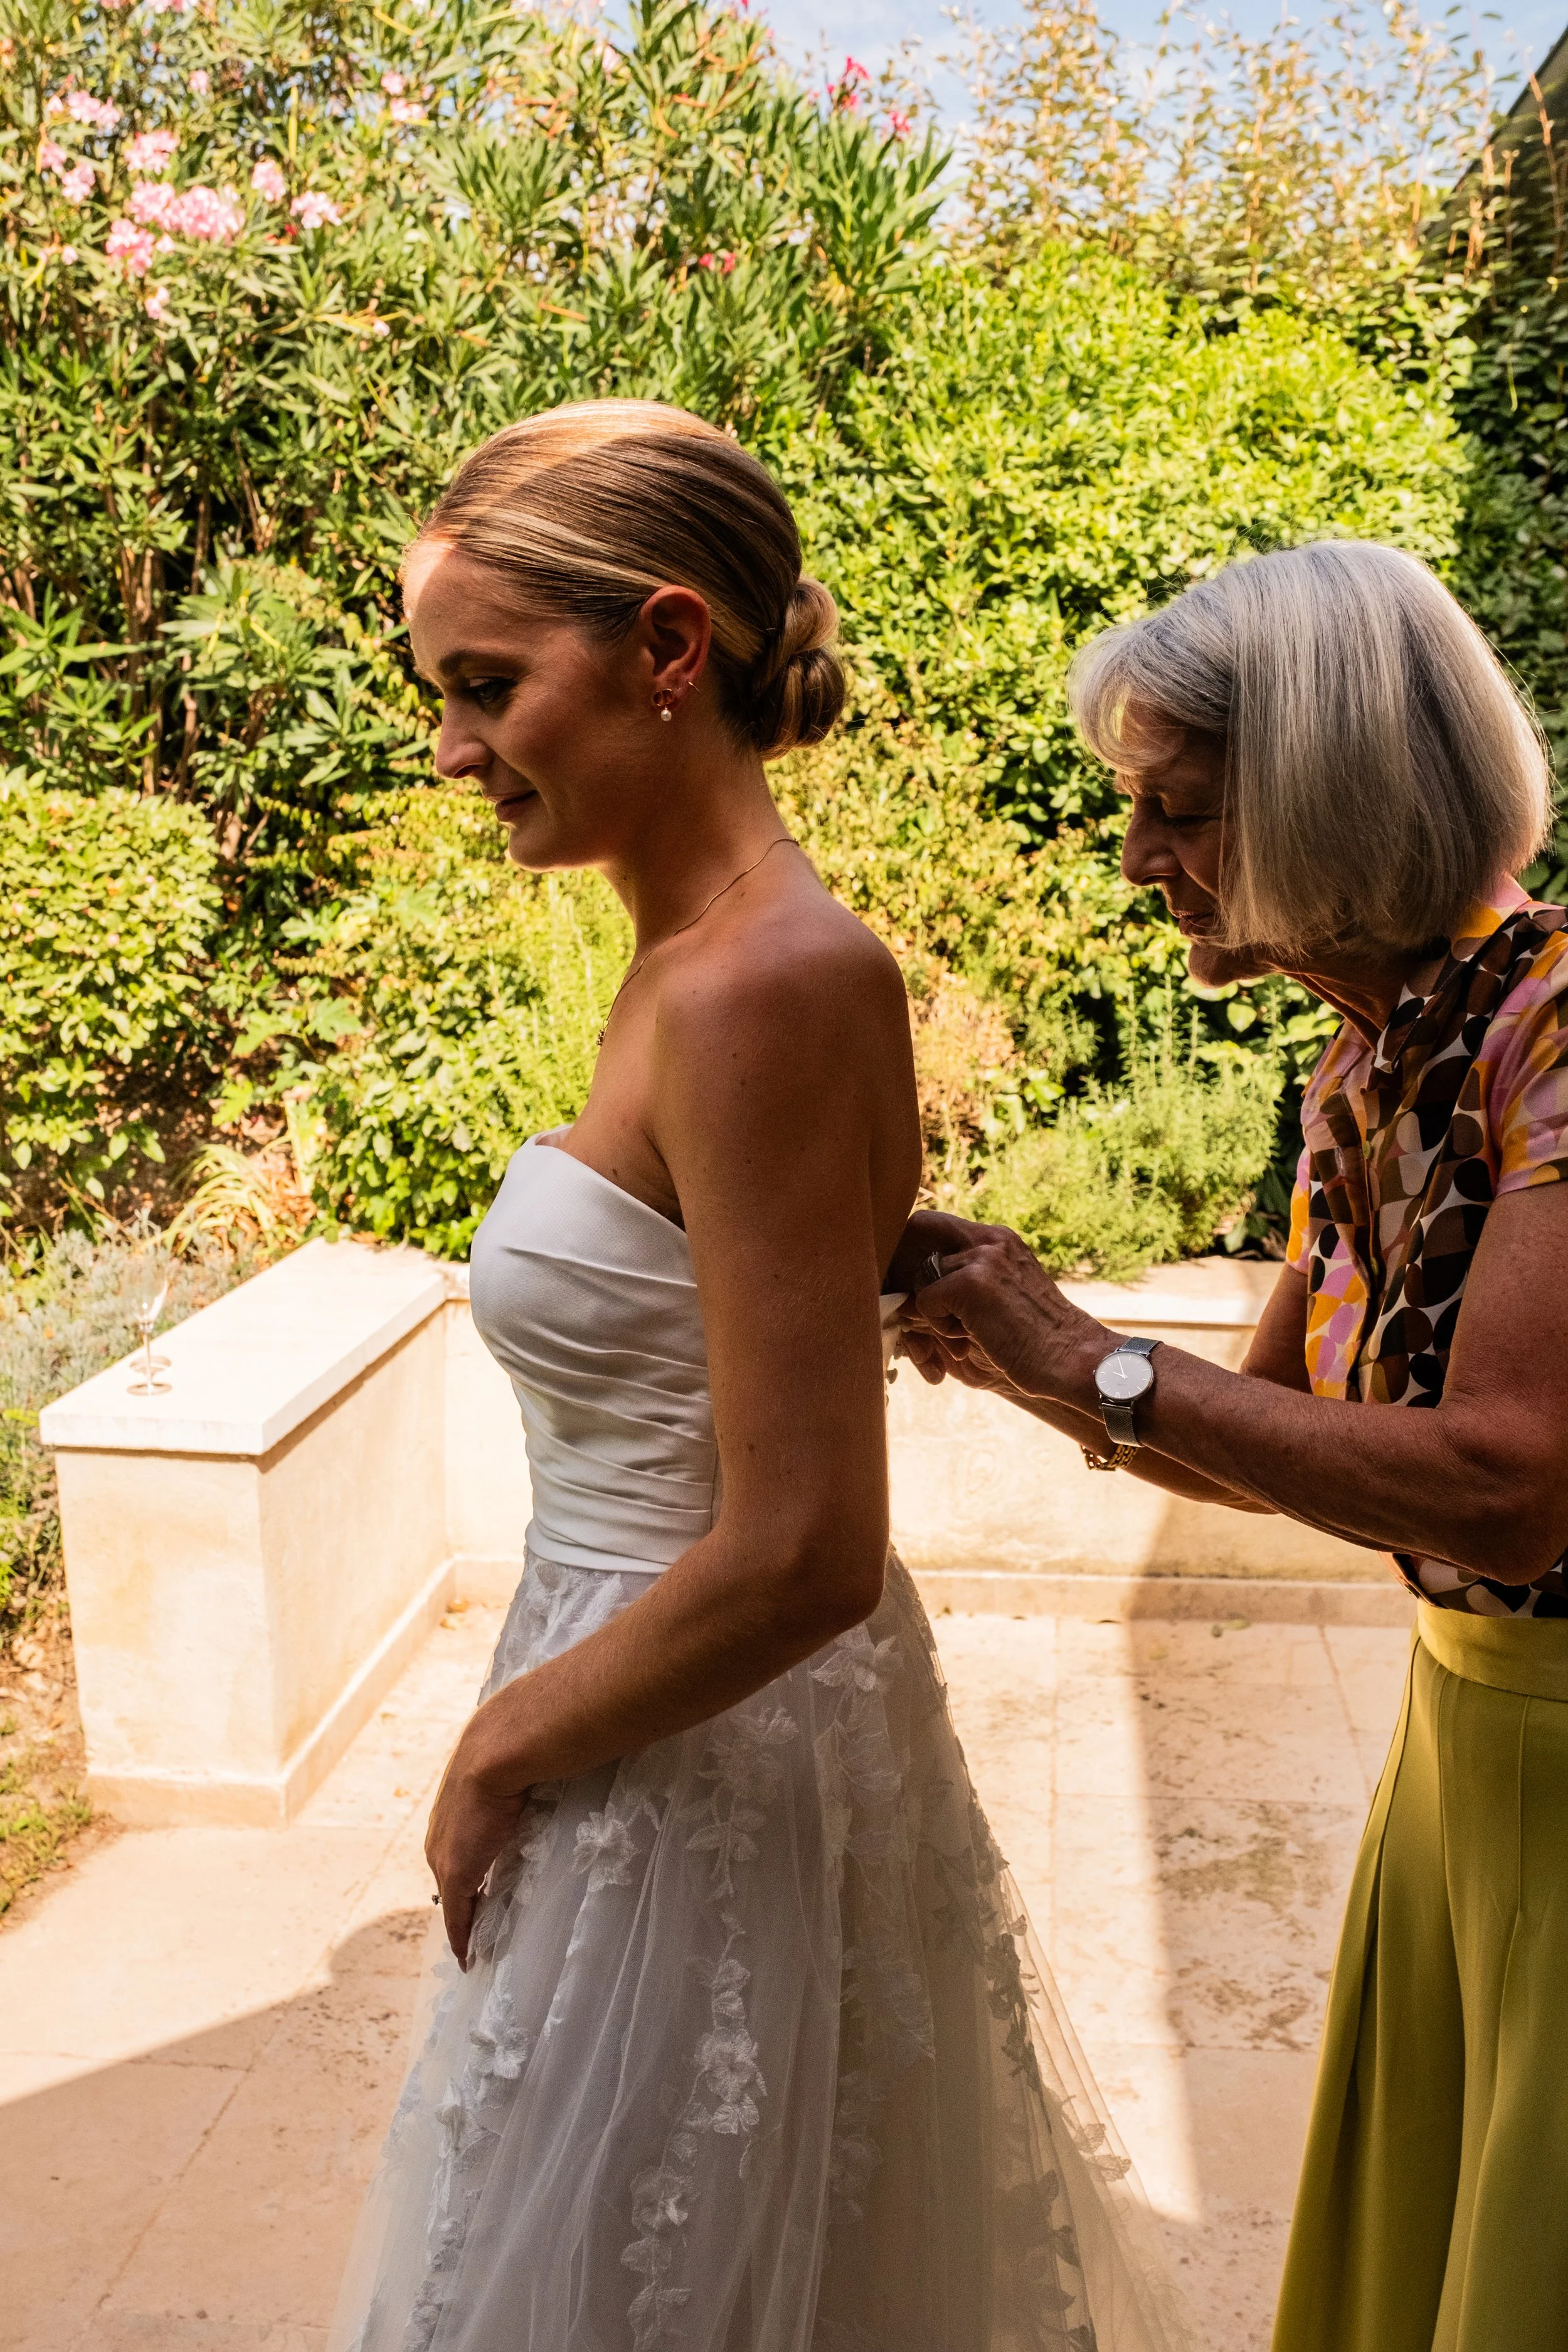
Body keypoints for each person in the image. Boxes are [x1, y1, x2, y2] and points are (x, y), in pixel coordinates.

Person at [329, 400, 1189, 2352]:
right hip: (649, 1694)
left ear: (663, 646)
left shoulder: (759, 983)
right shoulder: (701, 961)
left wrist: (494, 1747)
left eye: (484, 685)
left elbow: (803, 1543)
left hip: (690, 1734)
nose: (451, 748)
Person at [892, 539, 1568, 2352]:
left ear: (1327, 800)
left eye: (1174, 810)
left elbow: (1512, 1476)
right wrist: (1020, 1342)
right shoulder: (1363, 1064)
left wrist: (1090, 1355)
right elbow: (1269, 1431)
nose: (1136, 860)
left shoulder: (1556, 1031)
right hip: (1464, 1746)